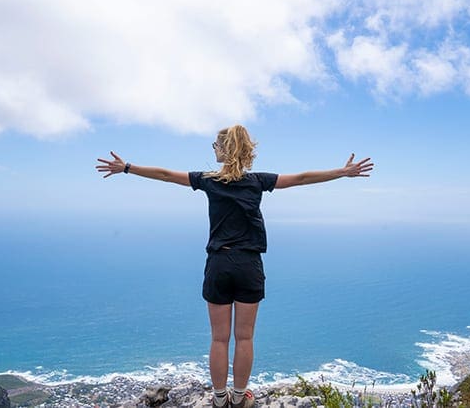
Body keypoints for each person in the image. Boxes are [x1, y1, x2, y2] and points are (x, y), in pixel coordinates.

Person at [96, 125, 373, 408]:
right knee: (244, 337)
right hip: (248, 264)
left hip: (219, 263)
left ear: (224, 149)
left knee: (219, 339)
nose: (213, 150)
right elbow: (301, 179)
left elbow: (166, 175)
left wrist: (127, 167)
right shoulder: (257, 181)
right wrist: (341, 172)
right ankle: (239, 398)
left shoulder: (208, 180)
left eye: (215, 146)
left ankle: (219, 400)